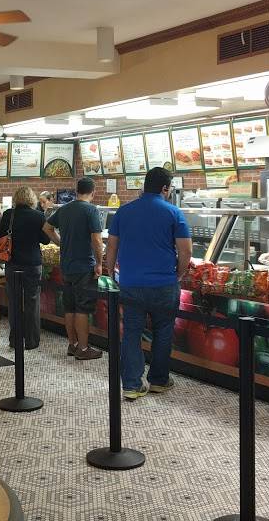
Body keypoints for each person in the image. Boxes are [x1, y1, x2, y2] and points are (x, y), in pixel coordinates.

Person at [105, 167, 192, 400]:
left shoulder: (124, 211)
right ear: (165, 188)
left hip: (131, 283)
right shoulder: (174, 212)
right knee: (163, 331)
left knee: (131, 333)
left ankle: (132, 385)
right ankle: (159, 381)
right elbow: (186, 251)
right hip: (164, 284)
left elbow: (111, 246)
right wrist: (179, 274)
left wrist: (111, 272)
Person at [44, 177, 103, 360]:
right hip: (84, 266)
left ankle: (73, 344)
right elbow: (96, 239)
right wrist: (99, 263)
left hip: (66, 266)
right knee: (82, 308)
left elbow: (47, 227)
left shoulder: (64, 209)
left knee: (69, 307)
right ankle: (83, 349)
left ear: (77, 191)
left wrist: (61, 244)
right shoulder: (91, 210)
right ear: (93, 192)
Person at [0, 186, 50, 350]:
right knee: (32, 302)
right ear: (32, 199)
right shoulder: (38, 216)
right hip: (33, 263)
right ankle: (32, 341)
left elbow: (0, 236)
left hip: (13, 263)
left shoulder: (8, 215)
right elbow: (46, 240)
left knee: (14, 302)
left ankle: (15, 340)